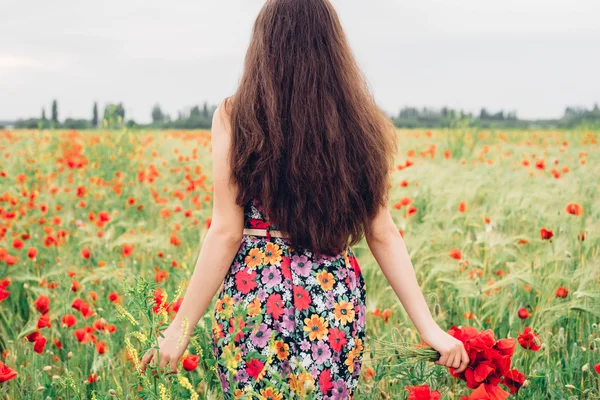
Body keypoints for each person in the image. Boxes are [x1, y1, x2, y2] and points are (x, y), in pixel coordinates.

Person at [140, 0, 469, 398]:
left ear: (264, 45)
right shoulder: (362, 123)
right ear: (334, 46)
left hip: (255, 294)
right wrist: (428, 328)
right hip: (332, 300)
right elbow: (382, 233)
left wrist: (179, 329)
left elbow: (226, 232)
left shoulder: (234, 114)